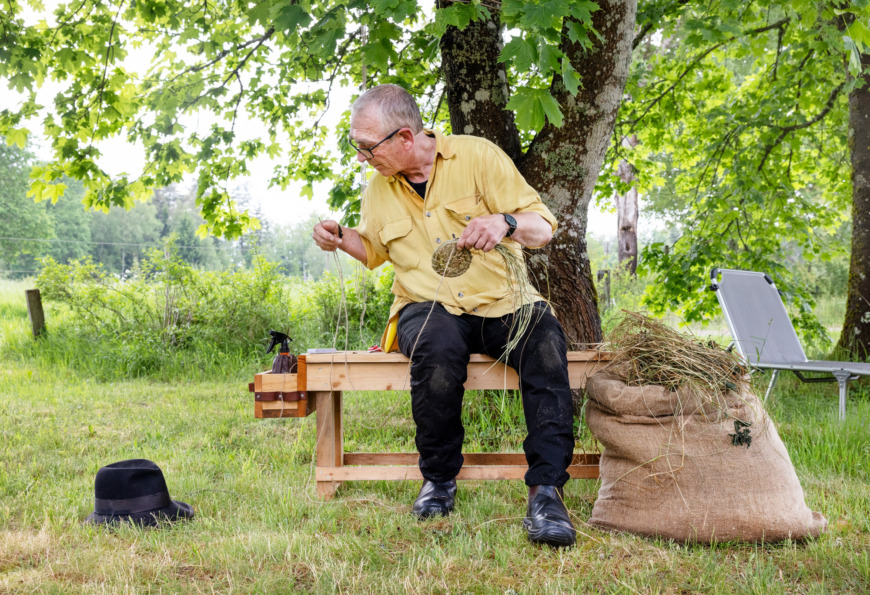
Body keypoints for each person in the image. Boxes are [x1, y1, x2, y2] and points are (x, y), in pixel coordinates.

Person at [312, 84, 576, 547]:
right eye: (356, 146)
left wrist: (505, 222)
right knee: (436, 349)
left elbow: (543, 227)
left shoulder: (478, 157)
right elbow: (374, 250)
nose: (362, 157)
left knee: (547, 345)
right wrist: (341, 237)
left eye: (368, 147)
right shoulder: (379, 189)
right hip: (427, 304)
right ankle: (438, 480)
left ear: (406, 138)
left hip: (503, 300)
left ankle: (547, 491)